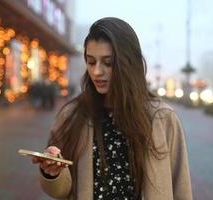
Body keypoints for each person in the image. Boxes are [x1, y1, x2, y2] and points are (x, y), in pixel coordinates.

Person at [31, 17, 192, 200]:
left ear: (129, 63)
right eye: (91, 62)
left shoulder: (162, 118)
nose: (97, 71)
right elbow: (61, 191)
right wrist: (52, 172)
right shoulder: (72, 115)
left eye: (108, 63)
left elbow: (181, 188)